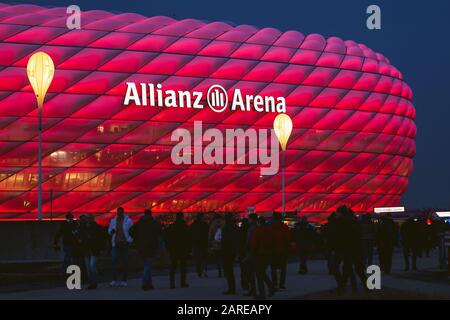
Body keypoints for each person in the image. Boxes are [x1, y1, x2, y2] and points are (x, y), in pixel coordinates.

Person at [130, 209, 161, 291]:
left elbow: (130, 231)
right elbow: (160, 232)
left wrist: (137, 239)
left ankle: (149, 284)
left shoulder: (139, 223)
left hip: (141, 247)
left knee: (147, 265)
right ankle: (145, 284)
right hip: (151, 247)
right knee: (148, 266)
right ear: (151, 214)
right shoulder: (154, 223)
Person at [251, 216, 275, 299]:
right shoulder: (270, 230)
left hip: (260, 254)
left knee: (259, 274)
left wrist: (253, 252)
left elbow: (254, 244)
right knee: (262, 272)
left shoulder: (258, 231)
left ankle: (262, 293)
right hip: (268, 254)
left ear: (259, 222)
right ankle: (271, 287)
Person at [108, 207, 133, 287]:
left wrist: (129, 240)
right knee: (114, 261)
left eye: (120, 212)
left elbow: (132, 231)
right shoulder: (113, 220)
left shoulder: (128, 221)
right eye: (118, 212)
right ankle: (114, 279)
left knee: (124, 262)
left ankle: (124, 280)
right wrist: (111, 232)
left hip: (124, 243)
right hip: (116, 243)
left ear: (123, 212)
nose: (119, 214)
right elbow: (109, 230)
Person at [165, 212, 191, 288]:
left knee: (173, 267)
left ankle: (172, 283)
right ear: (182, 217)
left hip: (174, 249)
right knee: (183, 267)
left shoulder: (172, 227)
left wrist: (168, 247)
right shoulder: (185, 227)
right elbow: (188, 239)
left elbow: (167, 238)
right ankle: (183, 283)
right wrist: (188, 249)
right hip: (182, 249)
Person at [82, 215, 104, 290]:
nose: (88, 220)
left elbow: (100, 239)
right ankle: (92, 282)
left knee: (91, 266)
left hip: (93, 250)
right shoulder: (85, 228)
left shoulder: (96, 228)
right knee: (90, 267)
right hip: (88, 250)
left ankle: (93, 283)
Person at [270, 212, 290, 290]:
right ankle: (281, 284)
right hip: (283, 250)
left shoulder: (271, 227)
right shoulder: (284, 227)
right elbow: (288, 239)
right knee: (283, 268)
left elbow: (269, 239)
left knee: (273, 267)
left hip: (273, 250)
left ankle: (274, 283)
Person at [221, 214, 240, 294]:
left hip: (227, 250)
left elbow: (224, 240)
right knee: (230, 269)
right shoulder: (235, 227)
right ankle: (232, 288)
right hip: (233, 250)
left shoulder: (226, 228)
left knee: (228, 270)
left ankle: (231, 288)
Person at [190, 212, 209, 278]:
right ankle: (204, 270)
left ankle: (199, 271)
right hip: (203, 243)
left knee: (197, 258)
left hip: (196, 243)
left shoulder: (193, 225)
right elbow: (208, 234)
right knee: (204, 258)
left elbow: (190, 234)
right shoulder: (205, 224)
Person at [243, 213, 258, 297]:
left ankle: (252, 289)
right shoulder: (257, 227)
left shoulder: (251, 229)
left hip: (251, 252)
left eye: (249, 219)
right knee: (259, 272)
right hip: (257, 252)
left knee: (250, 271)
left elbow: (248, 241)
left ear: (251, 219)